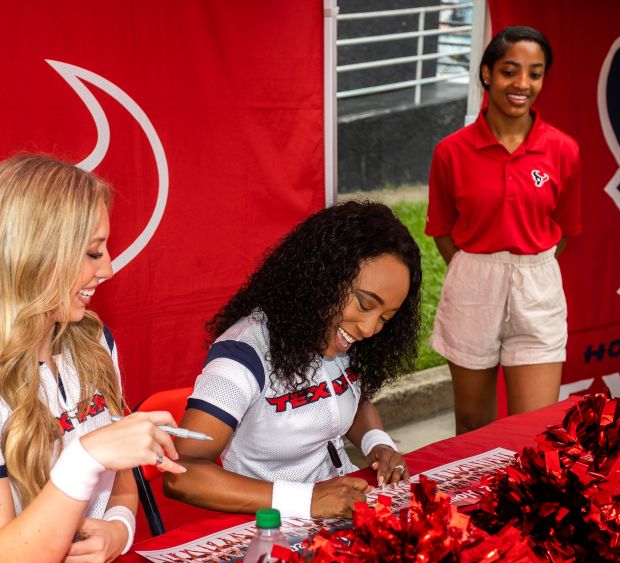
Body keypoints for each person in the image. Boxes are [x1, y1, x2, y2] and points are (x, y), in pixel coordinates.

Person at [0, 154, 185, 563]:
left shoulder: (92, 341)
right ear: (33, 255)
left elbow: (120, 478)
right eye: (93, 252)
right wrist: (85, 456)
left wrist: (119, 527)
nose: (108, 269)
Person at [163, 201, 422, 519]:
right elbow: (182, 474)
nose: (370, 329)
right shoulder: (243, 355)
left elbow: (348, 396)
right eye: (365, 304)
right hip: (270, 524)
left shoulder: (337, 333)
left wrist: (377, 443)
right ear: (324, 276)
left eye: (386, 317)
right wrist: (307, 500)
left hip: (343, 506)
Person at [426, 25, 582, 434]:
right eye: (510, 71)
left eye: (535, 73)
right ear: (487, 74)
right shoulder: (451, 151)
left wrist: (527, 266)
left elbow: (565, 228)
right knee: (474, 424)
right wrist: (479, 268)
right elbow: (442, 229)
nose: (523, 84)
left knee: (532, 428)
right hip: (473, 282)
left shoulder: (563, 150)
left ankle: (523, 499)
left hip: (538, 285)